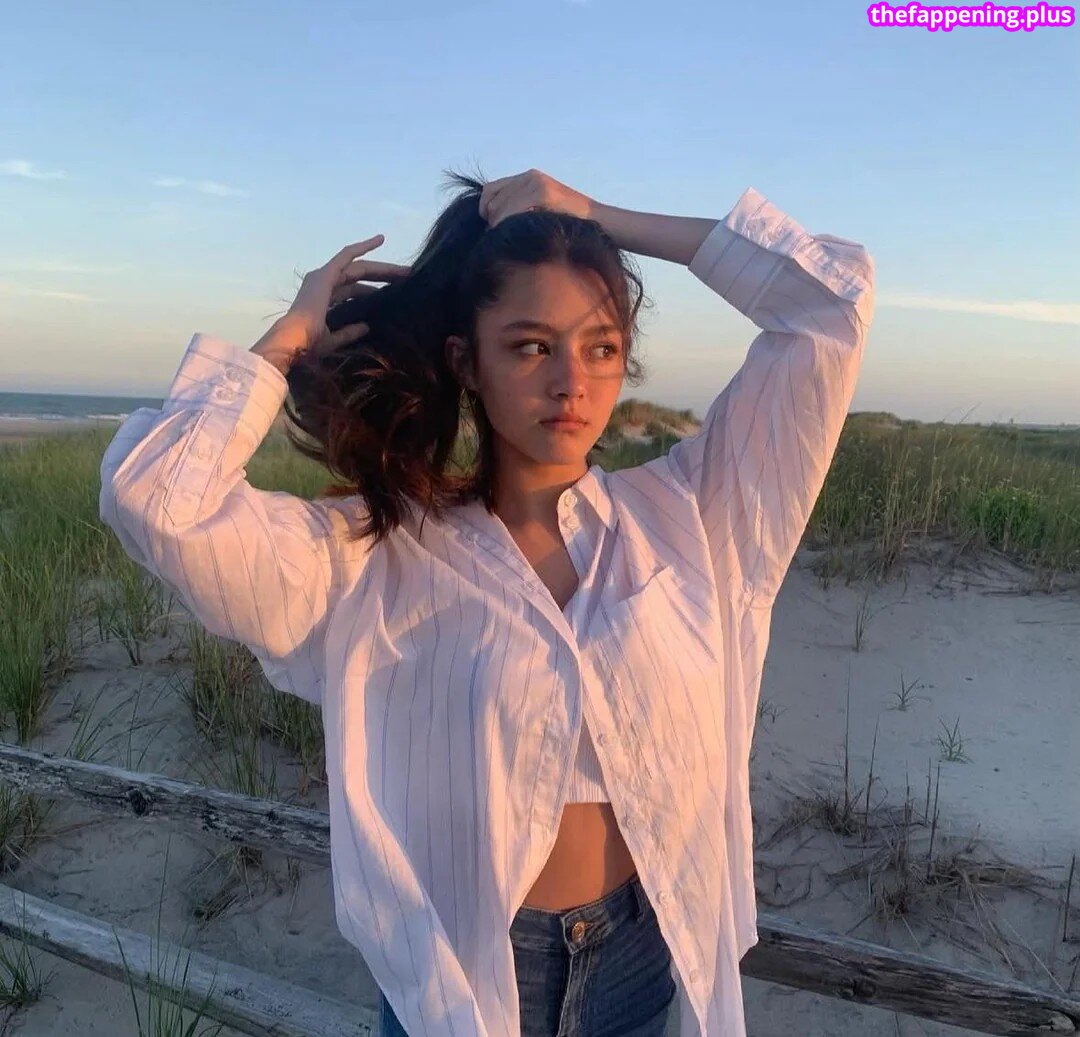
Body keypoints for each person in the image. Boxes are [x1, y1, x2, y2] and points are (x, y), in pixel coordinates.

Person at [98, 166, 876, 1037]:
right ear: (467, 360)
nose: (572, 383)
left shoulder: (695, 517)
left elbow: (827, 307)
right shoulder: (371, 558)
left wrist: (595, 214)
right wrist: (287, 338)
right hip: (467, 981)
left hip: (641, 963)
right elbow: (156, 500)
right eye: (532, 346)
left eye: (601, 347)